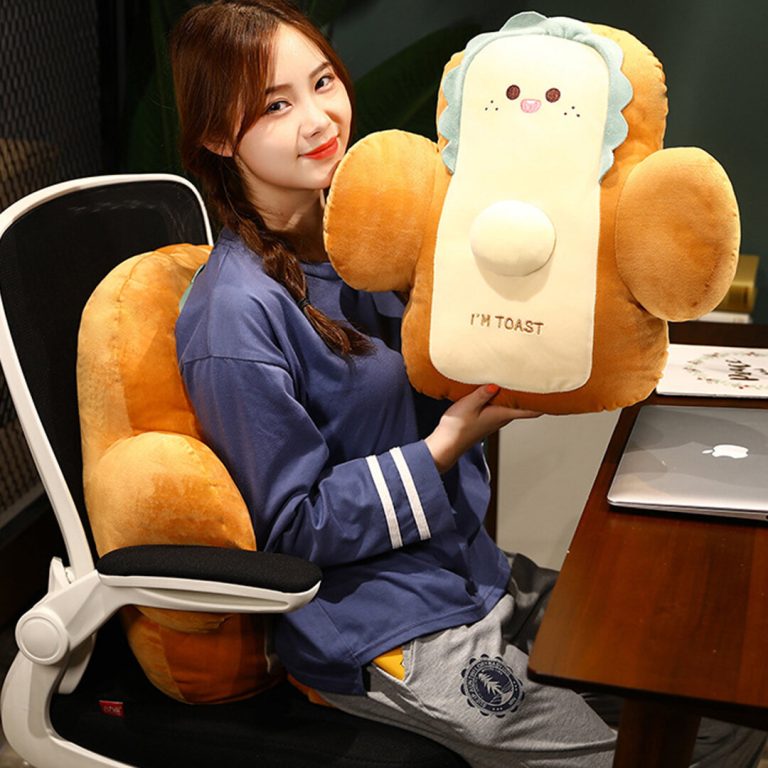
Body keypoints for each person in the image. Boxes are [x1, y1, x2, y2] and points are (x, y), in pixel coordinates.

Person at [169, 2, 766, 765]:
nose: (318, 119)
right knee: (649, 754)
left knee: (724, 689)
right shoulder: (234, 314)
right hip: (383, 624)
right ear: (219, 137)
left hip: (473, 575)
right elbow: (289, 530)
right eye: (275, 106)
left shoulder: (385, 237)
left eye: (322, 83)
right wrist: (444, 446)